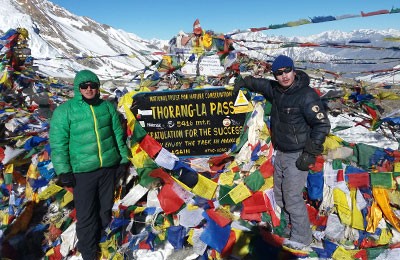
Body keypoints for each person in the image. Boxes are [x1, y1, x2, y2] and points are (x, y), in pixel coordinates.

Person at [234, 55, 330, 249]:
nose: (284, 76)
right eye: (279, 73)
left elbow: (322, 124)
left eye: (287, 71)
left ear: (293, 70)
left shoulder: (306, 95)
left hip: (299, 153)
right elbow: (260, 84)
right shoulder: (276, 90)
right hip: (281, 152)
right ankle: (288, 228)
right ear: (275, 75)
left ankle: (301, 238)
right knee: (280, 195)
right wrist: (244, 81)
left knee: (293, 197)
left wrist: (310, 153)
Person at [49, 69, 129, 259]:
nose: (89, 89)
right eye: (84, 86)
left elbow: (118, 135)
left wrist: (123, 159)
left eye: (93, 85)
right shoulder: (65, 111)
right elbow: (58, 144)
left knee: (104, 209)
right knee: (86, 214)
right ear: (78, 88)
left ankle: (101, 239)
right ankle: (88, 251)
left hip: (108, 168)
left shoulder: (107, 107)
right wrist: (63, 170)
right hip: (82, 172)